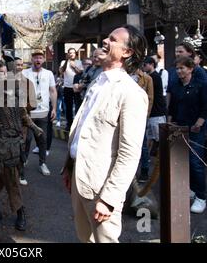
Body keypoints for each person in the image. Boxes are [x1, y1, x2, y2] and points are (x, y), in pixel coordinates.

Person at [62, 24, 148, 243]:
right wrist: (69, 166)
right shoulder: (97, 82)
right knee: (85, 239)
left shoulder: (132, 93)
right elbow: (82, 129)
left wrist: (109, 198)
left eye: (113, 39)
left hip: (102, 188)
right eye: (107, 38)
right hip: (79, 178)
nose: (105, 42)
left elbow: (129, 153)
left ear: (127, 52)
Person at [0, 59, 36, 231]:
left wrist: (32, 127)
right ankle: (20, 212)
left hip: (17, 140)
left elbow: (24, 112)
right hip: (3, 143)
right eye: (0, 73)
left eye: (6, 72)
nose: (4, 75)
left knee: (2, 174)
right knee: (11, 178)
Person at [167, 56, 207, 214]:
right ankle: (191, 188)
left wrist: (200, 122)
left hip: (196, 127)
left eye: (182, 68)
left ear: (190, 68)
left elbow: (205, 106)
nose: (179, 71)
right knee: (181, 160)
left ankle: (201, 196)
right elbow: (172, 107)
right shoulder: (176, 85)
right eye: (177, 68)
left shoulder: (201, 84)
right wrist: (170, 121)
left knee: (195, 162)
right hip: (179, 125)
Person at [22, 49, 56, 176]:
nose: (38, 60)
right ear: (32, 59)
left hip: (43, 111)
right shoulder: (25, 73)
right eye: (35, 57)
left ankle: (42, 163)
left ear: (43, 60)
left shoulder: (49, 74)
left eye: (40, 58)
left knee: (42, 139)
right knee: (27, 139)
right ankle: (23, 161)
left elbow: (52, 91)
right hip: (28, 112)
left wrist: (54, 109)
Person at [139, 56, 167, 182]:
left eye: (145, 65)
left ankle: (161, 167)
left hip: (156, 113)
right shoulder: (149, 77)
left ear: (151, 64)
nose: (143, 68)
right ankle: (157, 167)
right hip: (151, 114)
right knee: (152, 141)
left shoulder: (154, 77)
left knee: (158, 141)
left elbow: (151, 97)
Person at [60, 48, 83, 131]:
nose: (72, 54)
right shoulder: (63, 62)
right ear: (68, 54)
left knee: (77, 106)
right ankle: (69, 124)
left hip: (76, 87)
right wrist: (67, 61)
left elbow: (80, 73)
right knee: (68, 107)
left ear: (76, 54)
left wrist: (74, 66)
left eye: (73, 53)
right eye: (70, 53)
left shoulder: (79, 62)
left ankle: (76, 124)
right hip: (67, 87)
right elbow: (61, 71)